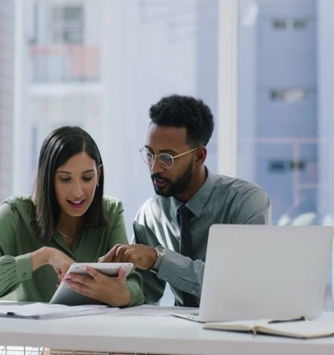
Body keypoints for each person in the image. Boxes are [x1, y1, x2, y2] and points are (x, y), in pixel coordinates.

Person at [100, 94, 271, 306]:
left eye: (166, 158)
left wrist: (159, 259)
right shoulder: (149, 215)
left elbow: (239, 286)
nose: (155, 168)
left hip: (240, 330)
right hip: (181, 332)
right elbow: (145, 295)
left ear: (199, 156)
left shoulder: (245, 202)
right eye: (150, 154)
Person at [0, 126, 144, 307]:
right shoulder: (15, 214)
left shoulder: (111, 211)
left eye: (87, 178)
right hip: (31, 337)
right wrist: (42, 257)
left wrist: (122, 296)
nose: (78, 192)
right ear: (48, 178)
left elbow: (134, 286)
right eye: (65, 179)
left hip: (90, 336)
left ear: (98, 174)